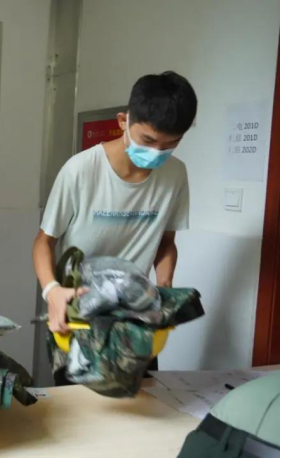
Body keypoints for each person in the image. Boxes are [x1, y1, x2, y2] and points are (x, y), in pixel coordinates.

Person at [33, 71, 197, 337]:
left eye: (170, 144)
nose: (156, 152)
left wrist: (164, 290)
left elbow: (166, 243)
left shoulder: (175, 174)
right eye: (148, 140)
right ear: (123, 121)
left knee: (146, 368)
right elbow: (44, 241)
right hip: (79, 312)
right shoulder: (81, 170)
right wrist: (52, 291)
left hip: (136, 318)